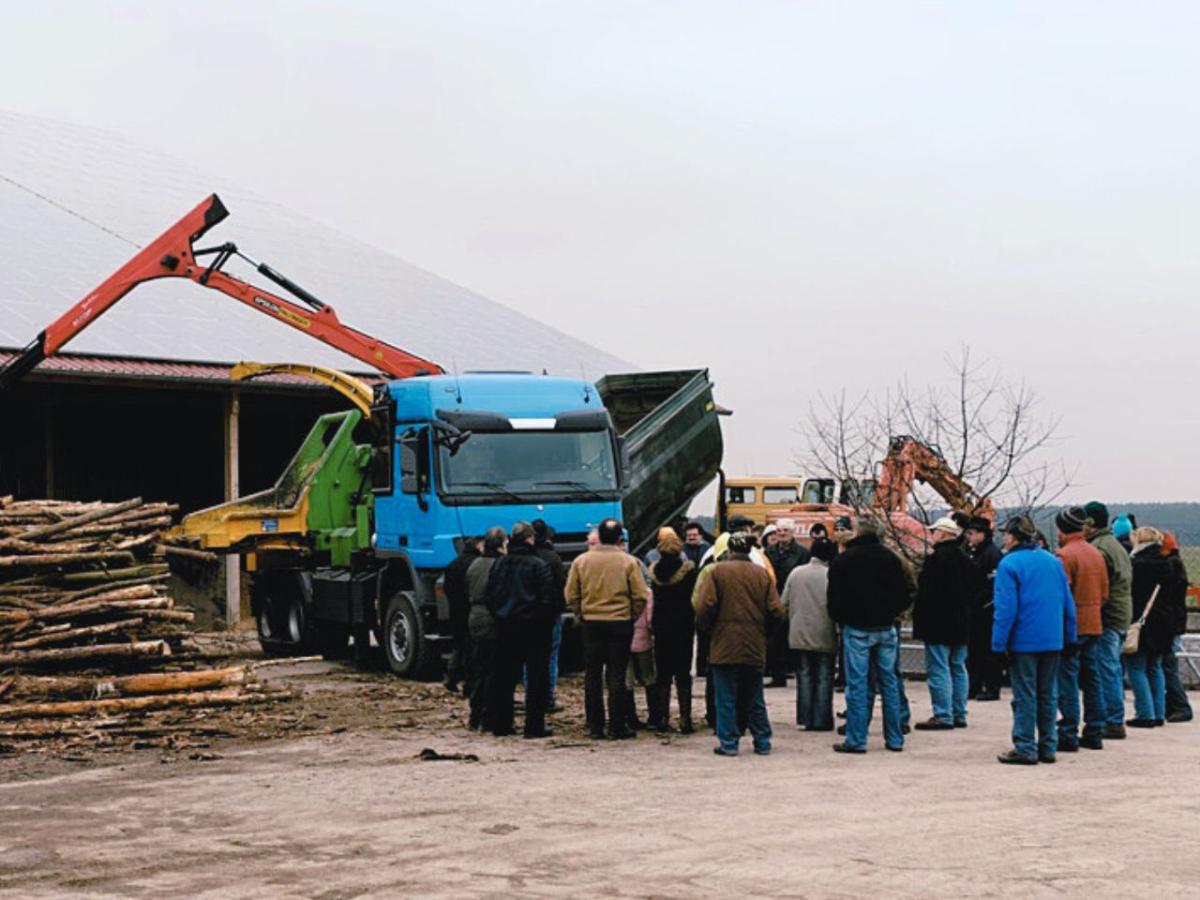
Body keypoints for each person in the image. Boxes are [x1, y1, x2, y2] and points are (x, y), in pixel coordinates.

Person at [992, 515, 1077, 765]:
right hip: (1053, 638)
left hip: (1024, 640)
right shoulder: (1052, 561)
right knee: (1048, 694)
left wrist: (998, 644)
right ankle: (1048, 746)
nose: (1004, 538)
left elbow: (1005, 609)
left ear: (1013, 536)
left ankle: (1025, 746)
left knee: (1025, 695)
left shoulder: (1009, 564)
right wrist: (1070, 636)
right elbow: (1067, 603)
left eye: (1006, 534)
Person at [693, 532, 785, 756]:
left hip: (724, 643)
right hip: (754, 643)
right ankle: (762, 741)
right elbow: (777, 610)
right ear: (750, 550)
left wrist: (709, 630)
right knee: (755, 696)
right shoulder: (761, 574)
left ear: (729, 550)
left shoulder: (717, 572)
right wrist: (765, 632)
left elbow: (704, 606)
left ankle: (729, 743)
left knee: (726, 697)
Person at [827, 517, 912, 754]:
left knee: (858, 686)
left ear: (857, 532)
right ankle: (895, 738)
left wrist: (842, 619)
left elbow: (833, 599)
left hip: (856, 628)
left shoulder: (844, 560)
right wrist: (893, 613)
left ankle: (856, 738)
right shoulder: (891, 559)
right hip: (886, 627)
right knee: (890, 683)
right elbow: (904, 593)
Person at [565, 518, 649, 740]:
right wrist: (631, 615)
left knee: (592, 675)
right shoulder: (628, 562)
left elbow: (571, 594)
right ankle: (617, 726)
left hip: (591, 623)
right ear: (620, 538)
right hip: (620, 622)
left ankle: (595, 726)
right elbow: (640, 595)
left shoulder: (581, 561)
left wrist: (581, 612)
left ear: (600, 537)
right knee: (616, 675)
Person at [485, 522, 559, 738]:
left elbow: (490, 594)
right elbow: (548, 598)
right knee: (537, 678)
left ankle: (502, 724)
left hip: (506, 625)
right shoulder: (538, 565)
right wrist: (542, 621)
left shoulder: (499, 564)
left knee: (504, 678)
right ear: (530, 538)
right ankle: (534, 725)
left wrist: (499, 615)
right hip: (535, 629)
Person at [912, 517, 976, 731]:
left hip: (937, 623)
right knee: (958, 667)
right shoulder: (965, 559)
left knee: (939, 668)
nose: (932, 535)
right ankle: (959, 712)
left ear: (943, 534)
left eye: (935, 531)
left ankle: (943, 714)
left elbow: (925, 593)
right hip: (961, 622)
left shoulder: (935, 560)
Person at [1053, 506, 1108, 752]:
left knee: (1067, 680)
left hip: (1071, 627)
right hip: (1094, 623)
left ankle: (1068, 732)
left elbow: (1061, 596)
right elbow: (1105, 593)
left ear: (1062, 529)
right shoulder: (1096, 553)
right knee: (1092, 679)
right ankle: (1095, 730)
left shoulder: (1064, 556)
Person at [1084, 501, 1134, 740]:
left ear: (1091, 523)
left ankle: (1113, 720)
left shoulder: (1099, 548)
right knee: (1112, 668)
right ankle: (1113, 717)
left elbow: (1098, 586)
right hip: (1121, 614)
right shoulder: (1115, 545)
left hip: (1108, 616)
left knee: (1106, 670)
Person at [781, 536, 839, 731]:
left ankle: (805, 718)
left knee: (804, 675)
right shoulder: (832, 574)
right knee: (824, 676)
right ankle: (821, 719)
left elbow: (783, 602)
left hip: (799, 632)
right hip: (825, 632)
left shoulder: (796, 573)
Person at [1126, 526, 1175, 728]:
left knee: (1136, 667)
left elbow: (1132, 595)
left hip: (1142, 621)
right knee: (1155, 667)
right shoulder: (1168, 563)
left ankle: (1145, 713)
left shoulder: (1137, 564)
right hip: (1164, 622)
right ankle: (1159, 712)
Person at [650, 529, 698, 733]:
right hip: (683, 626)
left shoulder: (654, 571)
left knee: (663, 674)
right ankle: (685, 719)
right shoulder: (689, 571)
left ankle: (662, 718)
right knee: (683, 673)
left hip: (661, 626)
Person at [465, 527, 506, 731]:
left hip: (475, 618)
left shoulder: (475, 564)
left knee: (479, 668)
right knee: (493, 670)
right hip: (491, 618)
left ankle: (475, 715)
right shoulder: (498, 565)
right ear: (500, 545)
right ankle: (489, 716)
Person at [765, 519, 810, 688]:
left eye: (785, 530)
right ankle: (778, 674)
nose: (781, 533)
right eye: (779, 530)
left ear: (792, 532)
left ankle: (798, 672)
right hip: (774, 598)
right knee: (775, 638)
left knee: (795, 638)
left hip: (795, 599)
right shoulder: (769, 552)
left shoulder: (802, 553)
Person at [964, 517, 1004, 701]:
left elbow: (990, 585)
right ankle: (975, 685)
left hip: (986, 609)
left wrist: (980, 602)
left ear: (982, 534)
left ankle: (991, 686)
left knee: (987, 651)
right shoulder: (976, 553)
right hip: (976, 609)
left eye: (971, 534)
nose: (969, 537)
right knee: (975, 651)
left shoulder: (991, 555)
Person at [529, 519, 567, 711]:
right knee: (550, 656)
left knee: (529, 657)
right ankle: (548, 697)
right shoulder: (553, 558)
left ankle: (531, 696)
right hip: (550, 614)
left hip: (526, 614)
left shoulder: (521, 558)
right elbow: (562, 585)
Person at [1160, 532, 1193, 723]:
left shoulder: (1170, 566)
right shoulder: (1176, 564)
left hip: (1170, 624)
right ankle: (1175, 704)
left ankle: (1180, 705)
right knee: (1168, 664)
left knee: (1168, 665)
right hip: (1176, 622)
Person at [442, 535, 482, 694]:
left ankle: (452, 676)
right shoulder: (475, 564)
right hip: (470, 610)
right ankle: (469, 684)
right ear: (478, 546)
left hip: (456, 610)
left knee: (459, 645)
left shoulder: (453, 564)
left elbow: (447, 588)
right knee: (471, 649)